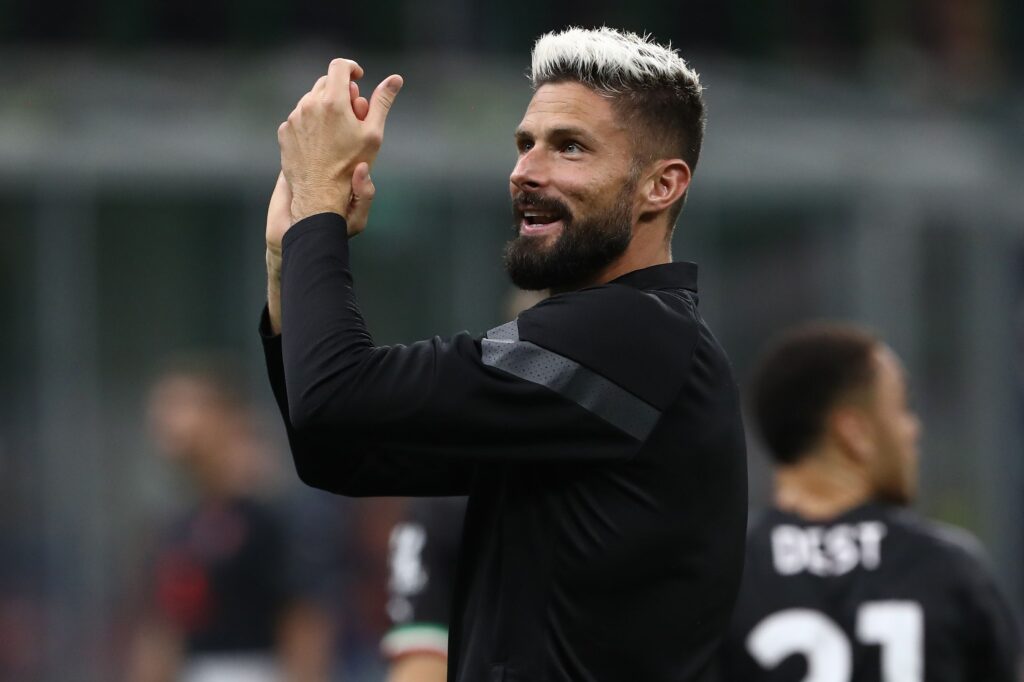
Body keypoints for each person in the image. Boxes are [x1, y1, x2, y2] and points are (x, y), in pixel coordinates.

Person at [260, 27, 748, 682]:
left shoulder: (633, 330)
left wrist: (320, 200)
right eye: (525, 144)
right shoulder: (618, 349)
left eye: (570, 147)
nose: (525, 172)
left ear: (661, 186)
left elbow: (338, 397)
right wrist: (284, 260)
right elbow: (338, 449)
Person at [717, 323, 1022, 681]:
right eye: (902, 408)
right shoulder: (947, 570)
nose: (913, 429)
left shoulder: (724, 577)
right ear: (854, 432)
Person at [128, 357, 334, 682]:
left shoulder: (274, 514)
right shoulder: (176, 525)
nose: (168, 422)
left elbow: (306, 623)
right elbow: (160, 632)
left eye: (184, 406)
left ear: (226, 417)